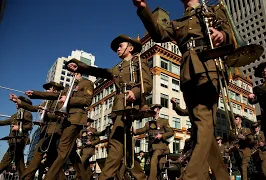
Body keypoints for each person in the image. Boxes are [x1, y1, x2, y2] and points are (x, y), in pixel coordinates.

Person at [132, 0, 234, 179]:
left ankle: (191, 176)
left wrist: (223, 36)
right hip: (187, 73)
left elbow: (231, 38)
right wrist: (143, 8)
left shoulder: (213, 10)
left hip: (207, 68)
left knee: (203, 122)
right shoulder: (177, 23)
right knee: (201, 128)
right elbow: (159, 34)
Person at [66, 34, 151, 180]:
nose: (118, 49)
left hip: (130, 106)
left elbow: (147, 84)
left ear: (130, 48)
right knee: (125, 145)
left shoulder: (138, 62)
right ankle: (141, 177)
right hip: (117, 108)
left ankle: (104, 177)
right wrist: (79, 66)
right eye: (117, 47)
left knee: (116, 143)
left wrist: (134, 93)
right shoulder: (116, 68)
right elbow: (98, 71)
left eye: (120, 46)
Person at [25, 71, 94, 180]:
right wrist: (35, 93)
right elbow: (55, 95)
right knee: (66, 153)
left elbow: (87, 101)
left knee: (64, 151)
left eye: (74, 69)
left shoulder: (87, 83)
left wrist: (68, 100)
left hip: (74, 119)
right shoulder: (67, 88)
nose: (72, 72)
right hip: (65, 121)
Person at [10, 82, 66, 180]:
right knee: (51, 159)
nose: (46, 91)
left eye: (49, 89)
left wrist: (46, 113)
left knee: (38, 154)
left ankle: (25, 178)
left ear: (55, 90)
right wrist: (18, 101)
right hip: (45, 131)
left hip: (54, 131)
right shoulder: (46, 102)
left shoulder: (60, 100)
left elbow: (60, 116)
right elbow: (33, 108)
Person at [134, 104, 174, 180]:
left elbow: (171, 132)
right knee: (159, 167)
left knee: (154, 159)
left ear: (158, 110)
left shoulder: (164, 121)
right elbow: (142, 130)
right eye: (151, 109)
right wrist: (134, 131)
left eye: (154, 109)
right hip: (152, 148)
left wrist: (162, 136)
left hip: (161, 147)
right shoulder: (148, 123)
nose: (152, 110)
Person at [0, 96, 33, 177]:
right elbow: (4, 122)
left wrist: (19, 128)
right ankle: (25, 178)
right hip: (13, 141)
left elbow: (30, 126)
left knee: (6, 160)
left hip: (20, 140)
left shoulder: (27, 114)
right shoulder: (14, 115)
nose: (16, 104)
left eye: (17, 102)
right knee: (19, 162)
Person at [228, 115, 253, 180]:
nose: (234, 121)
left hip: (245, 152)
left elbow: (251, 140)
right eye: (234, 119)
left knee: (243, 167)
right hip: (237, 153)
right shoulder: (232, 132)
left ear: (240, 121)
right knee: (241, 169)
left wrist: (244, 138)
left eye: (236, 119)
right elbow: (229, 141)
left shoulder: (246, 130)